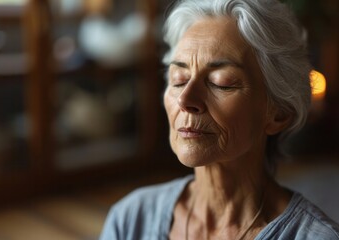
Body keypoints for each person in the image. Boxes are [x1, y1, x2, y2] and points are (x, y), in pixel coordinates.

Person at [100, 0, 339, 239]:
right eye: (179, 79)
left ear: (278, 113)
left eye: (220, 82)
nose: (185, 99)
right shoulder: (131, 220)